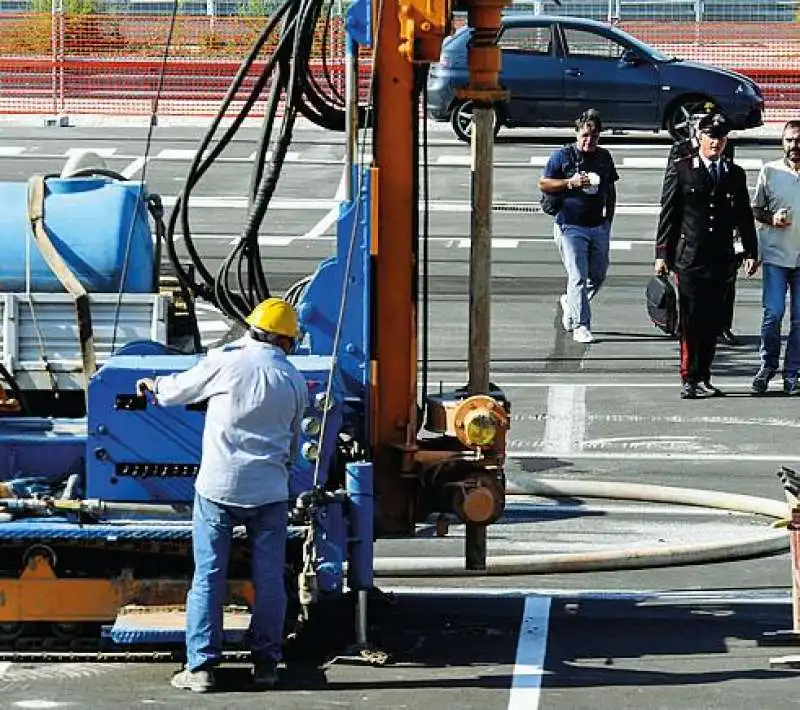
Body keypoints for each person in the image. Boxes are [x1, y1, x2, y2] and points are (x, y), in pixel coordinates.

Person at [136, 297, 308, 693]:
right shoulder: (294, 381)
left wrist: (153, 386)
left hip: (219, 488)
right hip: (269, 493)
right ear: (286, 341)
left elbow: (178, 390)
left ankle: (201, 668)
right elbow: (294, 443)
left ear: (253, 329)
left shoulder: (226, 362)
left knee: (209, 575)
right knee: (269, 579)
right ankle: (265, 663)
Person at [654, 112, 759, 399]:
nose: (716, 143)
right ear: (699, 137)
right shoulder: (683, 168)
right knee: (691, 318)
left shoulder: (733, 173)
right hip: (690, 257)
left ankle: (704, 375)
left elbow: (744, 216)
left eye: (721, 138)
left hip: (721, 257)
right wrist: (662, 253)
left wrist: (751, 250)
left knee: (713, 320)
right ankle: (689, 376)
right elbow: (669, 213)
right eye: (711, 137)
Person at [539, 108, 619, 344]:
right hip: (570, 225)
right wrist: (569, 183)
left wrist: (608, 221)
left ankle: (570, 303)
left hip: (598, 225)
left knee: (598, 274)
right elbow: (543, 183)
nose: (589, 141)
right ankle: (581, 325)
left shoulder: (604, 157)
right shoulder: (562, 156)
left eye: (594, 137)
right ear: (577, 134)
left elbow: (611, 190)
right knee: (578, 277)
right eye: (585, 135)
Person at [750, 119, 800, 395]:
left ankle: (792, 372)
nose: (795, 145)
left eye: (799, 140)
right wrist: (772, 218)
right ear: (782, 143)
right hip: (775, 256)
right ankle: (767, 365)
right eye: (790, 140)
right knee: (773, 313)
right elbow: (756, 210)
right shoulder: (770, 172)